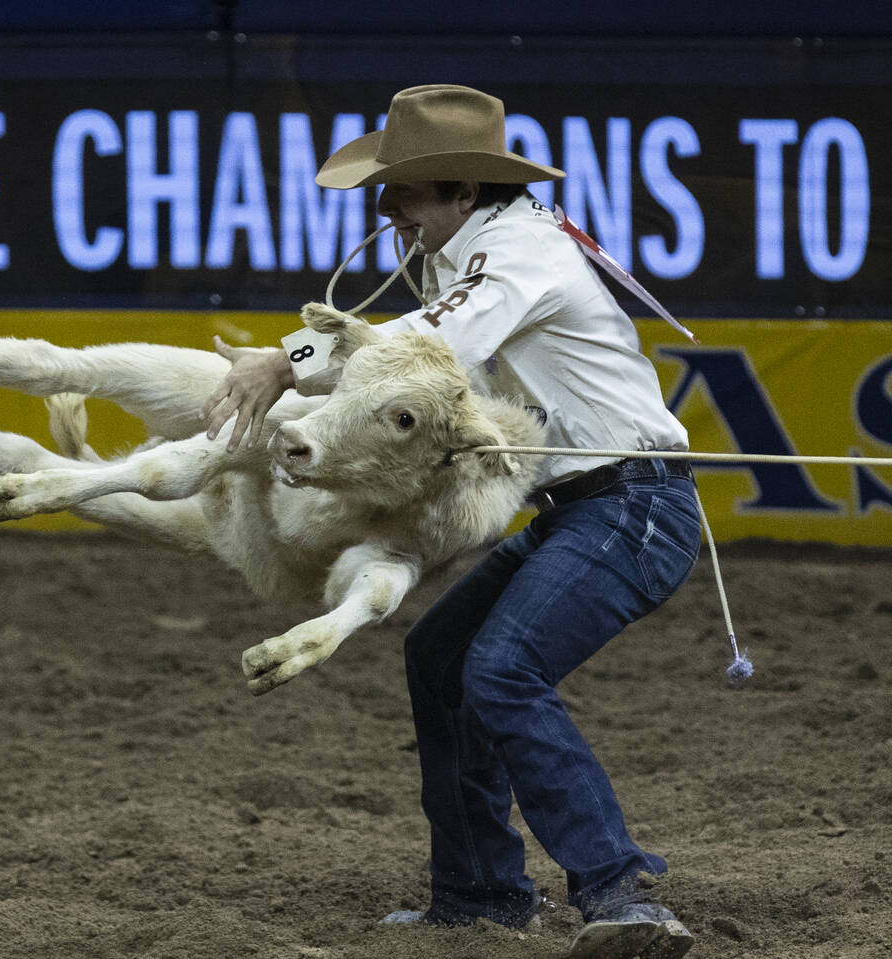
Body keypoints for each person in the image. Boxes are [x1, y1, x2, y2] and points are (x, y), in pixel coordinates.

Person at [200, 84, 701, 959]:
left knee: (502, 668)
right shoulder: (473, 256)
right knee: (440, 659)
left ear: (465, 193)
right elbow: (403, 342)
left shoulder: (518, 253)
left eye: (406, 190)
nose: (387, 206)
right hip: (591, 507)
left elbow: (419, 351)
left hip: (635, 506)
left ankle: (622, 895)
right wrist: (289, 361)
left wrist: (283, 361)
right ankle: (480, 895)